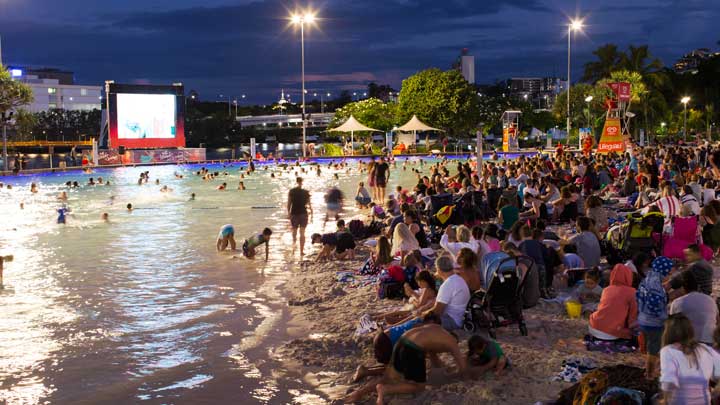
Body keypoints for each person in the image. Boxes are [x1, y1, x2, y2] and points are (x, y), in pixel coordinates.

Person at [342, 323, 466, 404]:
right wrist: (454, 375)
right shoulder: (452, 342)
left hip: (401, 341)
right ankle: (385, 389)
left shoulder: (436, 330)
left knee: (388, 377)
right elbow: (464, 370)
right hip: (413, 348)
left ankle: (358, 393)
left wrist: (443, 368)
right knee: (419, 386)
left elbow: (435, 360)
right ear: (454, 338)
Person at [659, 313, 720, 405]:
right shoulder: (705, 348)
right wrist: (714, 394)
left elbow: (668, 382)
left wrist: (664, 401)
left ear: (667, 332)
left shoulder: (668, 351)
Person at [637, 256, 674, 379]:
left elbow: (638, 297)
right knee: (653, 350)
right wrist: (665, 317)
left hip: (643, 319)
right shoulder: (656, 286)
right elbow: (655, 306)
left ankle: (648, 369)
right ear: (663, 271)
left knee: (649, 347)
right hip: (653, 323)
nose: (670, 275)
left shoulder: (647, 279)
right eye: (669, 272)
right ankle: (649, 374)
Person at [588, 264, 637, 341]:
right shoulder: (632, 292)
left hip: (593, 327)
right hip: (611, 334)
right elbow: (632, 319)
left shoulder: (606, 289)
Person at [422, 254, 470, 331]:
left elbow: (437, 311)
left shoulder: (448, 284)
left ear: (439, 270)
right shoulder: (458, 279)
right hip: (459, 317)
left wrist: (422, 314)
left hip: (452, 321)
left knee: (418, 322)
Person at [669, 270, 717, 345]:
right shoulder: (710, 300)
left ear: (683, 288)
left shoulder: (677, 303)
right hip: (709, 340)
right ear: (698, 286)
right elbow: (717, 320)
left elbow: (673, 326)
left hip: (688, 342)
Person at [287, 177, 312, 256]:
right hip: (303, 214)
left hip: (294, 213)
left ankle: (294, 248)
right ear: (302, 182)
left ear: (296, 181)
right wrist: (312, 214)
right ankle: (301, 251)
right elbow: (309, 204)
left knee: (294, 231)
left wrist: (289, 213)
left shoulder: (291, 191)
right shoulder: (306, 192)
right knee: (302, 233)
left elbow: (289, 204)